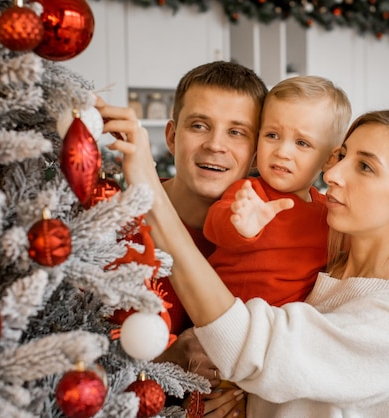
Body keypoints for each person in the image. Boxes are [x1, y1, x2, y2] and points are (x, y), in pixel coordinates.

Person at [104, 106, 389, 417]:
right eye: (342, 156)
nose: (333, 174)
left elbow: (245, 344)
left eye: (365, 166)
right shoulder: (321, 273)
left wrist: (148, 188)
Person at [100, 61, 267, 416]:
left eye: (237, 132)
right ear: (172, 136)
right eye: (199, 126)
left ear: (255, 153)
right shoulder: (110, 222)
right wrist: (168, 361)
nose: (215, 145)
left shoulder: (271, 240)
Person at [204, 75, 351, 307]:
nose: (282, 151)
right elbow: (214, 224)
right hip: (227, 315)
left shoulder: (329, 212)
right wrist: (239, 225)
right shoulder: (250, 192)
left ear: (330, 158)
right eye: (272, 135)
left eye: (302, 143)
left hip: (284, 325)